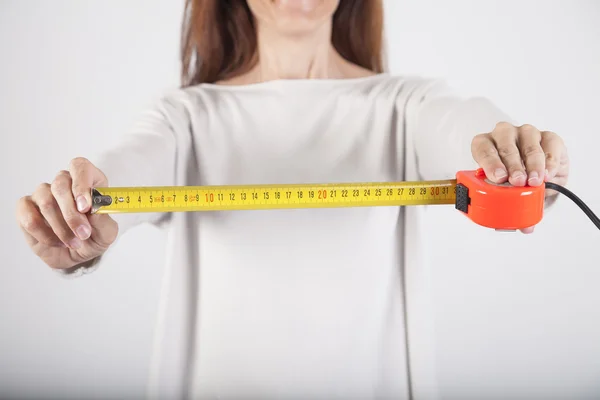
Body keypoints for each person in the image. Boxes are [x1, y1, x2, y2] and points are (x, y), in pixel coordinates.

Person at [16, 0, 569, 399]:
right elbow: (132, 167)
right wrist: (87, 212)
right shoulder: (185, 116)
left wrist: (511, 154)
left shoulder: (404, 103)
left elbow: (460, 124)